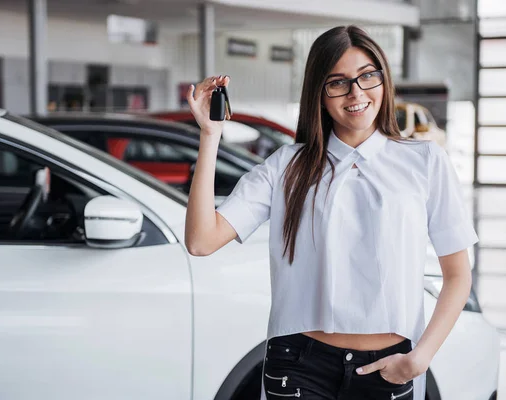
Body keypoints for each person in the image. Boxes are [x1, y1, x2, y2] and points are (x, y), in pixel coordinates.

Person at [184, 25, 478, 400]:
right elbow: (201, 241)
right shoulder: (287, 166)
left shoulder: (425, 161)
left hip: (388, 366)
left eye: (367, 76)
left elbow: (457, 276)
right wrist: (210, 135)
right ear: (319, 94)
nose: (356, 93)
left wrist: (419, 358)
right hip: (298, 365)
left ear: (383, 80)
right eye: (338, 82)